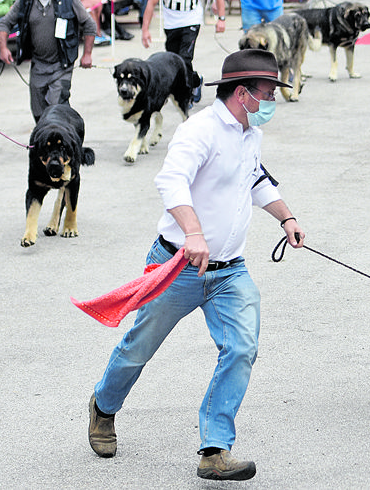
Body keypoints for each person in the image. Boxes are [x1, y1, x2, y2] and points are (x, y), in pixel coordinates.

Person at [86, 48, 306, 481]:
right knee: (138, 349)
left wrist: (287, 217)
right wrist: (193, 233)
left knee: (241, 348)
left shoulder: (249, 134)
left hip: (229, 272)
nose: (273, 101)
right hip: (177, 267)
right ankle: (103, 406)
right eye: (268, 93)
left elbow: (254, 180)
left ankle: (214, 449)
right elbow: (171, 180)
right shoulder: (198, 131)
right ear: (243, 94)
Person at [0, 0, 95, 121]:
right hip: (38, 65)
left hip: (62, 63)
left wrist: (87, 54)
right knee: (38, 110)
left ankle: (61, 140)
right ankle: (43, 141)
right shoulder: (25, 0)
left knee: (56, 107)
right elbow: (4, 24)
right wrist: (3, 48)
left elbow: (89, 24)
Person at [142, 0, 228, 103]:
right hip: (171, 24)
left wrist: (221, 19)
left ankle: (185, 95)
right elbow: (151, 3)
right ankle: (195, 81)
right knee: (174, 61)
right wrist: (145, 30)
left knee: (185, 59)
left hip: (191, 22)